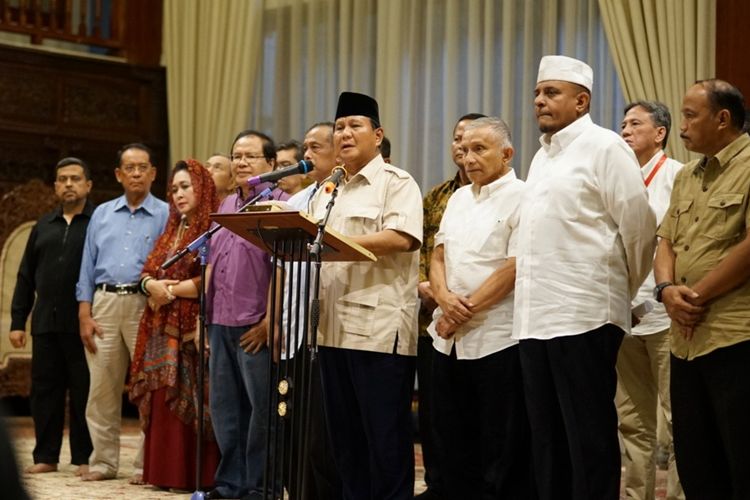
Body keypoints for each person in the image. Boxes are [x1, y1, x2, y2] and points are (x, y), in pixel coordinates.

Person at [513, 55, 656, 500]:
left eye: (551, 92)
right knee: (547, 442)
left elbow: (640, 229)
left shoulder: (606, 146)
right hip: (534, 319)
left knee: (588, 440)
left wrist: (616, 291)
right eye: (538, 92)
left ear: (581, 101)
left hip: (585, 314)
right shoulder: (540, 157)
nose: (539, 100)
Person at [309, 91, 423, 500]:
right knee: (346, 442)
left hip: (378, 331)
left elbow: (402, 237)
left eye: (355, 126)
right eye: (339, 127)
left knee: (384, 440)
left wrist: (339, 241)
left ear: (378, 135)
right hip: (331, 328)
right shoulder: (329, 189)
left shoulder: (397, 182)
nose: (344, 134)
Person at [654, 79, 750, 500]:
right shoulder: (687, 175)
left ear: (723, 118)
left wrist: (696, 296)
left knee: (741, 459)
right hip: (684, 338)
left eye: (691, 115)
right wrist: (666, 290)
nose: (683, 126)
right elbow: (666, 241)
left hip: (733, 335)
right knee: (696, 460)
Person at [428, 117, 532, 499]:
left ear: (507, 153)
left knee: (500, 445)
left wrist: (461, 310)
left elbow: (515, 266)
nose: (467, 157)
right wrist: (443, 300)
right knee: (451, 440)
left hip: (497, 338)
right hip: (448, 338)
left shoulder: (525, 194)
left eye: (479, 149)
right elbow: (438, 256)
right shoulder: (457, 197)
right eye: (464, 149)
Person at [76, 143, 169, 483]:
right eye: (129, 168)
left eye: (142, 167)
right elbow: (86, 265)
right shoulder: (101, 213)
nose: (135, 173)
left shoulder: (166, 213)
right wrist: (84, 312)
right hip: (103, 305)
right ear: (118, 174)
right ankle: (102, 462)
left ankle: (147, 466)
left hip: (145, 306)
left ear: (153, 173)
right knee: (101, 388)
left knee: (147, 388)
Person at [206, 130, 289, 500]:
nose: (241, 162)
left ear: (270, 164)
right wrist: (206, 320)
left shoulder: (281, 203)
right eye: (236, 155)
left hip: (256, 322)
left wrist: (270, 321)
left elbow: (285, 268)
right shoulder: (225, 205)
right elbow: (214, 263)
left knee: (262, 413)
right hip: (221, 320)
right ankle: (230, 484)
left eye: (250, 156)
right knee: (226, 410)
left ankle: (260, 486)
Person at [128, 159, 221, 491]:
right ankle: (162, 473)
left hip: (190, 325)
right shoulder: (172, 227)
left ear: (203, 187)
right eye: (175, 189)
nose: (180, 194)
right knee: (161, 396)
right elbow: (147, 271)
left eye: (187, 187)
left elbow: (210, 278)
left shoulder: (212, 226)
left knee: (192, 399)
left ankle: (189, 476)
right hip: (159, 324)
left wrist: (166, 289)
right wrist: (150, 285)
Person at [415, 111, 485, 500]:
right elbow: (426, 250)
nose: (463, 147)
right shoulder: (438, 195)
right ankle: (438, 483)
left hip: (482, 316)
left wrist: (459, 301)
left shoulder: (511, 191)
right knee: (435, 409)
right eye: (458, 138)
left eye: (474, 141)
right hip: (434, 316)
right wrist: (429, 288)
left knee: (478, 412)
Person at [9, 157, 94, 476]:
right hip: (45, 323)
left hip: (84, 324)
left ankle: (85, 457)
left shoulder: (98, 222)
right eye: (62, 179)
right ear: (56, 186)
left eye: (75, 178)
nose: (68, 184)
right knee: (45, 392)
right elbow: (25, 276)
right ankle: (45, 456)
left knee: (84, 391)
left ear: (88, 185)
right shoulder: (43, 225)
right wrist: (19, 321)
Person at [618, 100, 684, 500]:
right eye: (623, 124)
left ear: (660, 133)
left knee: (677, 419)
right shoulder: (617, 178)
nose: (625, 130)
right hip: (622, 315)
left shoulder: (679, 176)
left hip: (665, 316)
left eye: (635, 123)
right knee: (631, 421)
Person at [273, 122, 343, 500]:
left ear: (338, 153)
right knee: (291, 422)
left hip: (329, 328)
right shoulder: (297, 202)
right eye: (305, 147)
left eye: (316, 147)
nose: (307, 155)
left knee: (321, 431)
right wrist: (276, 319)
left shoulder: (344, 197)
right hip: (294, 324)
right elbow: (281, 269)